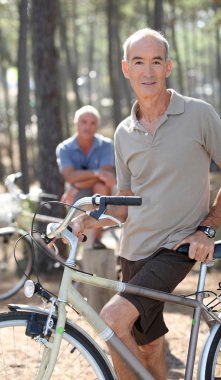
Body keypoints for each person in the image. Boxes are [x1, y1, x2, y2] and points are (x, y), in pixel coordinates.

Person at [69, 28, 221, 379]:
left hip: (177, 246)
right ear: (126, 68)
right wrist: (93, 219)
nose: (148, 71)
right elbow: (124, 203)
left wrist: (208, 228)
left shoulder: (198, 115)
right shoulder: (123, 133)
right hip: (133, 250)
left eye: (156, 62)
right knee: (148, 346)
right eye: (139, 62)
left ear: (168, 67)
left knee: (111, 319)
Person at [56, 105, 116, 249]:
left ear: (97, 126)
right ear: (76, 123)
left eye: (92, 123)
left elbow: (106, 175)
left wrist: (78, 183)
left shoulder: (106, 145)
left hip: (91, 189)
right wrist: (96, 173)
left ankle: (97, 237)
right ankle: (85, 244)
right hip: (77, 192)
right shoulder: (64, 148)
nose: (87, 127)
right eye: (84, 122)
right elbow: (70, 176)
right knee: (76, 229)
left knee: (101, 187)